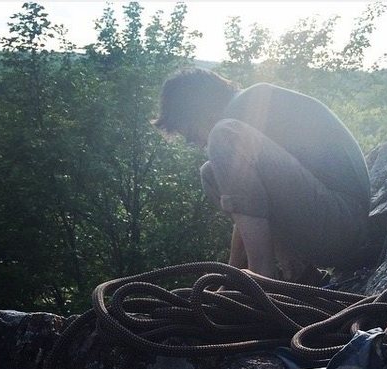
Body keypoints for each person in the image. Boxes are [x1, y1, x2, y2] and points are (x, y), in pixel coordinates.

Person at [153, 68, 372, 284]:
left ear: (198, 109)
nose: (197, 143)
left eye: (191, 135)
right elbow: (250, 202)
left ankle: (263, 280)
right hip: (331, 222)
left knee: (222, 135)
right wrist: (231, 274)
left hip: (344, 223)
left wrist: (242, 275)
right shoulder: (244, 109)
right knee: (210, 174)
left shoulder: (250, 105)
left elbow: (249, 203)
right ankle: (299, 272)